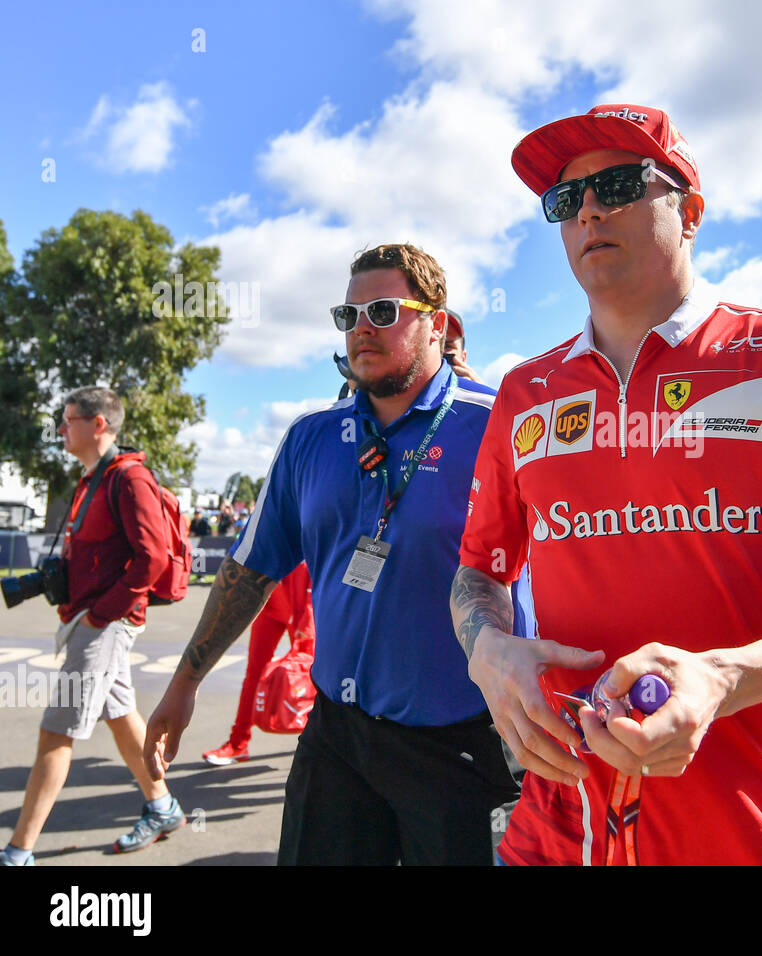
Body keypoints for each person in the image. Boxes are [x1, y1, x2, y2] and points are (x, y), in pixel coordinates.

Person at [451, 104, 762, 865]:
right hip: (555, 827)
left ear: (691, 211)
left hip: (742, 825)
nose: (590, 210)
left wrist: (724, 677)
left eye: (616, 182)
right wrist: (489, 652)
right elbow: (478, 570)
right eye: (564, 200)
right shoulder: (525, 390)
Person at [145, 243, 523, 865]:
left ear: (438, 321)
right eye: (349, 317)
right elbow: (250, 569)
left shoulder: (498, 425)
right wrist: (185, 683)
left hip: (463, 743)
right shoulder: (311, 438)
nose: (361, 329)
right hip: (337, 739)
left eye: (382, 310)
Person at [2, 387, 184, 865]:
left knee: (56, 731)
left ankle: (18, 852)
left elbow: (155, 558)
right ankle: (164, 806)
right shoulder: (94, 478)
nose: (61, 429)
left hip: (104, 625)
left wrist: (104, 613)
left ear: (98, 423)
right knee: (122, 718)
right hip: (92, 620)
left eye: (68, 420)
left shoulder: (129, 478)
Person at [202, 561, 315, 765]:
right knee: (254, 673)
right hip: (270, 601)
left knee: (310, 679)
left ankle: (318, 748)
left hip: (301, 600)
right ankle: (238, 743)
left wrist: (308, 615)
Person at [442, 308, 481, 383]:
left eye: (447, 346)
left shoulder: (478, 393)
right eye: (432, 343)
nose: (439, 352)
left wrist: (480, 390)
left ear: (463, 357)